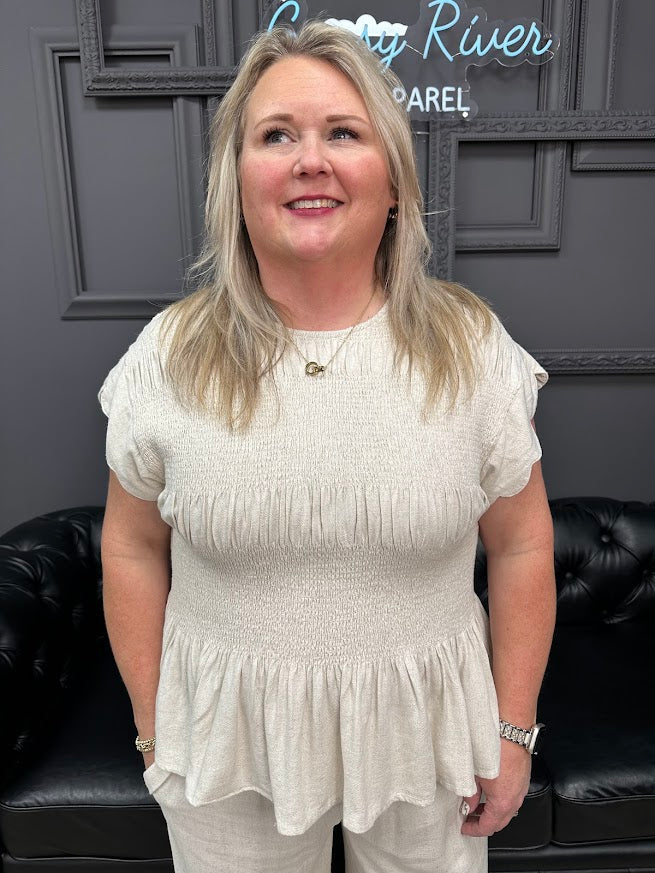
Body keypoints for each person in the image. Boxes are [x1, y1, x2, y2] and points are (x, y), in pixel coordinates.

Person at [97, 18, 556, 873]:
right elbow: (129, 544)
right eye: (276, 136)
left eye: (343, 133)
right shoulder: (168, 356)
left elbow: (523, 541)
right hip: (225, 745)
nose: (309, 160)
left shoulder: (470, 348)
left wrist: (511, 728)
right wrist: (155, 729)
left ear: (394, 181)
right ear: (237, 180)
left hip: (429, 731)